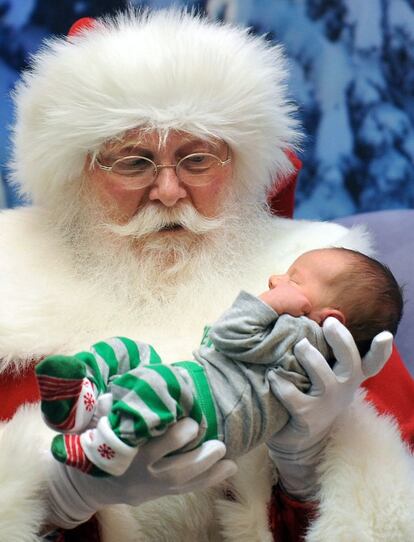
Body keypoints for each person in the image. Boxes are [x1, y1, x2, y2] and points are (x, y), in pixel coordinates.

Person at [0, 8, 413, 542]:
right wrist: (57, 498)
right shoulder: (10, 277)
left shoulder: (321, 277)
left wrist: (309, 468)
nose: (169, 192)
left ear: (239, 165)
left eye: (197, 160)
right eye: (133, 162)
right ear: (77, 172)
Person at [35, 247, 403, 479]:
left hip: (210, 411)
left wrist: (267, 303)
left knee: (153, 383)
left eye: (293, 279)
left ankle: (108, 446)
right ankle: (83, 401)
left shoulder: (301, 335)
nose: (276, 279)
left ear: (327, 317)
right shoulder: (299, 334)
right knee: (132, 352)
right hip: (200, 383)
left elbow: (229, 335)